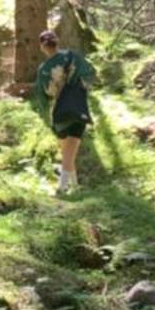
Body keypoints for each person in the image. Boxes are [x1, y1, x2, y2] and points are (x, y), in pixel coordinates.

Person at [35, 28, 95, 196]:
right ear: (57, 41)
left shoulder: (43, 69)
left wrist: (45, 115)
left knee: (67, 151)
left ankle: (65, 187)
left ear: (42, 46)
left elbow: (42, 96)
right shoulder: (72, 56)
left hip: (58, 111)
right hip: (77, 106)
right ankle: (71, 187)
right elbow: (90, 72)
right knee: (71, 150)